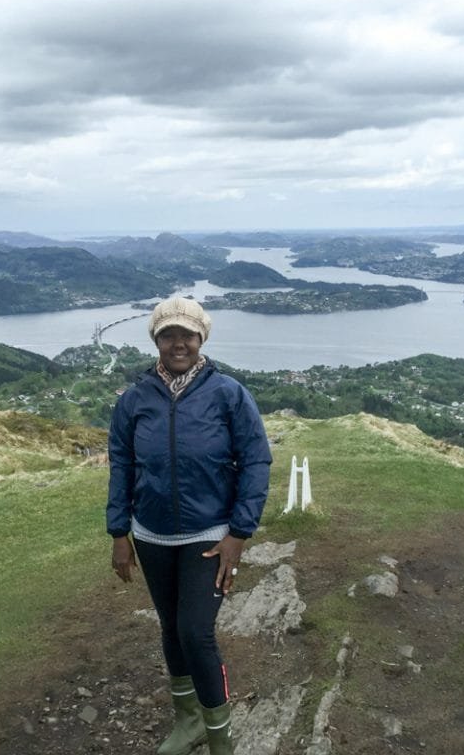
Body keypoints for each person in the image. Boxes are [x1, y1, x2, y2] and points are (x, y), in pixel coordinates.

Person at [107, 296, 272, 755]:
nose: (178, 343)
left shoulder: (228, 394)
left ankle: (220, 737)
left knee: (196, 632)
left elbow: (256, 461)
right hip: (151, 534)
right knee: (171, 628)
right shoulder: (134, 399)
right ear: (156, 340)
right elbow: (122, 465)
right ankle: (189, 721)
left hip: (210, 534)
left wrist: (239, 534)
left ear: (202, 339)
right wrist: (119, 532)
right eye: (168, 335)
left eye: (188, 335)